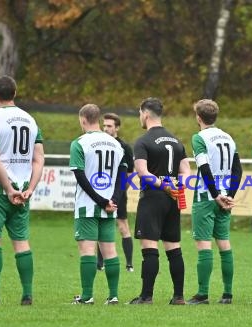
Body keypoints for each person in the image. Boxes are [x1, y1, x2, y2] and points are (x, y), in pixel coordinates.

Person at [0, 75, 44, 306]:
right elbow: (38, 159)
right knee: (21, 241)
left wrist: (7, 188)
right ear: (15, 93)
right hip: (23, 189)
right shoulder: (30, 120)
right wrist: (30, 188)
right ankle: (27, 295)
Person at [130, 98, 191, 305]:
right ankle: (179, 296)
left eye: (140, 114)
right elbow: (186, 171)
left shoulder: (143, 141)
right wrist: (176, 186)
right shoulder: (176, 141)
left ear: (145, 114)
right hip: (172, 199)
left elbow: (142, 172)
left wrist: (163, 185)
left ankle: (146, 296)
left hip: (152, 197)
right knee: (174, 247)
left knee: (149, 247)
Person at [187, 99, 242, 305]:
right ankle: (227, 294)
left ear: (198, 117)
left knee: (204, 245)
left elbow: (204, 168)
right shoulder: (228, 137)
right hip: (225, 198)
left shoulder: (199, 138)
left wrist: (215, 193)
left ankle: (202, 294)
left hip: (206, 197)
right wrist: (229, 194)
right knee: (225, 245)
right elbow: (237, 169)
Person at [69, 104, 126, 305]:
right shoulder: (115, 144)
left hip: (88, 206)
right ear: (98, 119)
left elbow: (80, 176)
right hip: (110, 206)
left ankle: (86, 296)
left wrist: (100, 201)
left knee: (87, 251)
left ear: (83, 120)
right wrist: (114, 201)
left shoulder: (79, 143)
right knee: (110, 251)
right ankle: (113, 295)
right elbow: (122, 176)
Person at [96, 113, 135, 273]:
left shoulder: (124, 147)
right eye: (104, 125)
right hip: (101, 192)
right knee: (101, 225)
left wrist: (121, 190)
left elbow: (131, 172)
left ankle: (129, 264)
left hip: (118, 194)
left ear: (117, 128)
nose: (106, 128)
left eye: (109, 126)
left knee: (122, 226)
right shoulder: (98, 144)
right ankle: (100, 263)